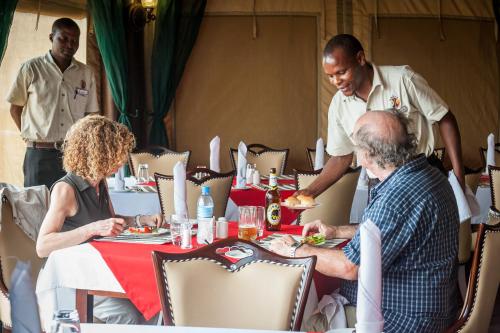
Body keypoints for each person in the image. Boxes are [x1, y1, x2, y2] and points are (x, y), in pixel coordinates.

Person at [270, 111, 459, 332]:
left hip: (401, 320)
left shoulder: (394, 198)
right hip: (438, 309)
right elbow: (396, 229)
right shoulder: (431, 175)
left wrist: (295, 250)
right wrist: (337, 231)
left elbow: (350, 267)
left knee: (297, 319)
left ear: (367, 155)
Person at [299, 33, 465, 200]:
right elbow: (342, 157)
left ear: (360, 58)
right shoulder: (338, 105)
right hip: (380, 186)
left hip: (423, 176)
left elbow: (444, 118)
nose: (336, 81)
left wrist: (459, 177)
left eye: (341, 72)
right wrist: (309, 192)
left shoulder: (403, 79)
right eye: (330, 76)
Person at [37, 115, 163, 324]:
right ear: (99, 153)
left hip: (104, 270)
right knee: (130, 316)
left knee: (155, 301)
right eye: (117, 153)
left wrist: (142, 219)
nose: (122, 161)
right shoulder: (66, 189)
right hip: (77, 279)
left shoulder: (100, 183)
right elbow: (42, 246)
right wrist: (92, 229)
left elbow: (110, 221)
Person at [6, 17, 98, 189]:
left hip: (73, 154)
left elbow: (90, 116)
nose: (69, 45)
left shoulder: (86, 73)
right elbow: (15, 108)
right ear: (51, 37)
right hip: (39, 154)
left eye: (74, 40)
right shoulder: (31, 69)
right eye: (63, 39)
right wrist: (31, 136)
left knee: (74, 208)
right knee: (37, 207)